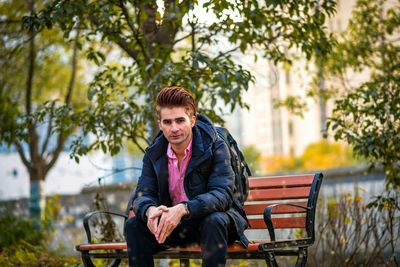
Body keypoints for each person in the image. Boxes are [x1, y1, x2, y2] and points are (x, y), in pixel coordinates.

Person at [125, 86, 248, 267]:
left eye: (180, 120)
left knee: (214, 221)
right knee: (134, 225)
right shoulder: (154, 154)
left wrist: (184, 208)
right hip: (176, 226)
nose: (174, 128)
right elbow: (143, 194)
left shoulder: (215, 146)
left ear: (192, 120)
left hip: (214, 223)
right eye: (167, 122)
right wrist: (149, 211)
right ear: (160, 124)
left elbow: (223, 195)